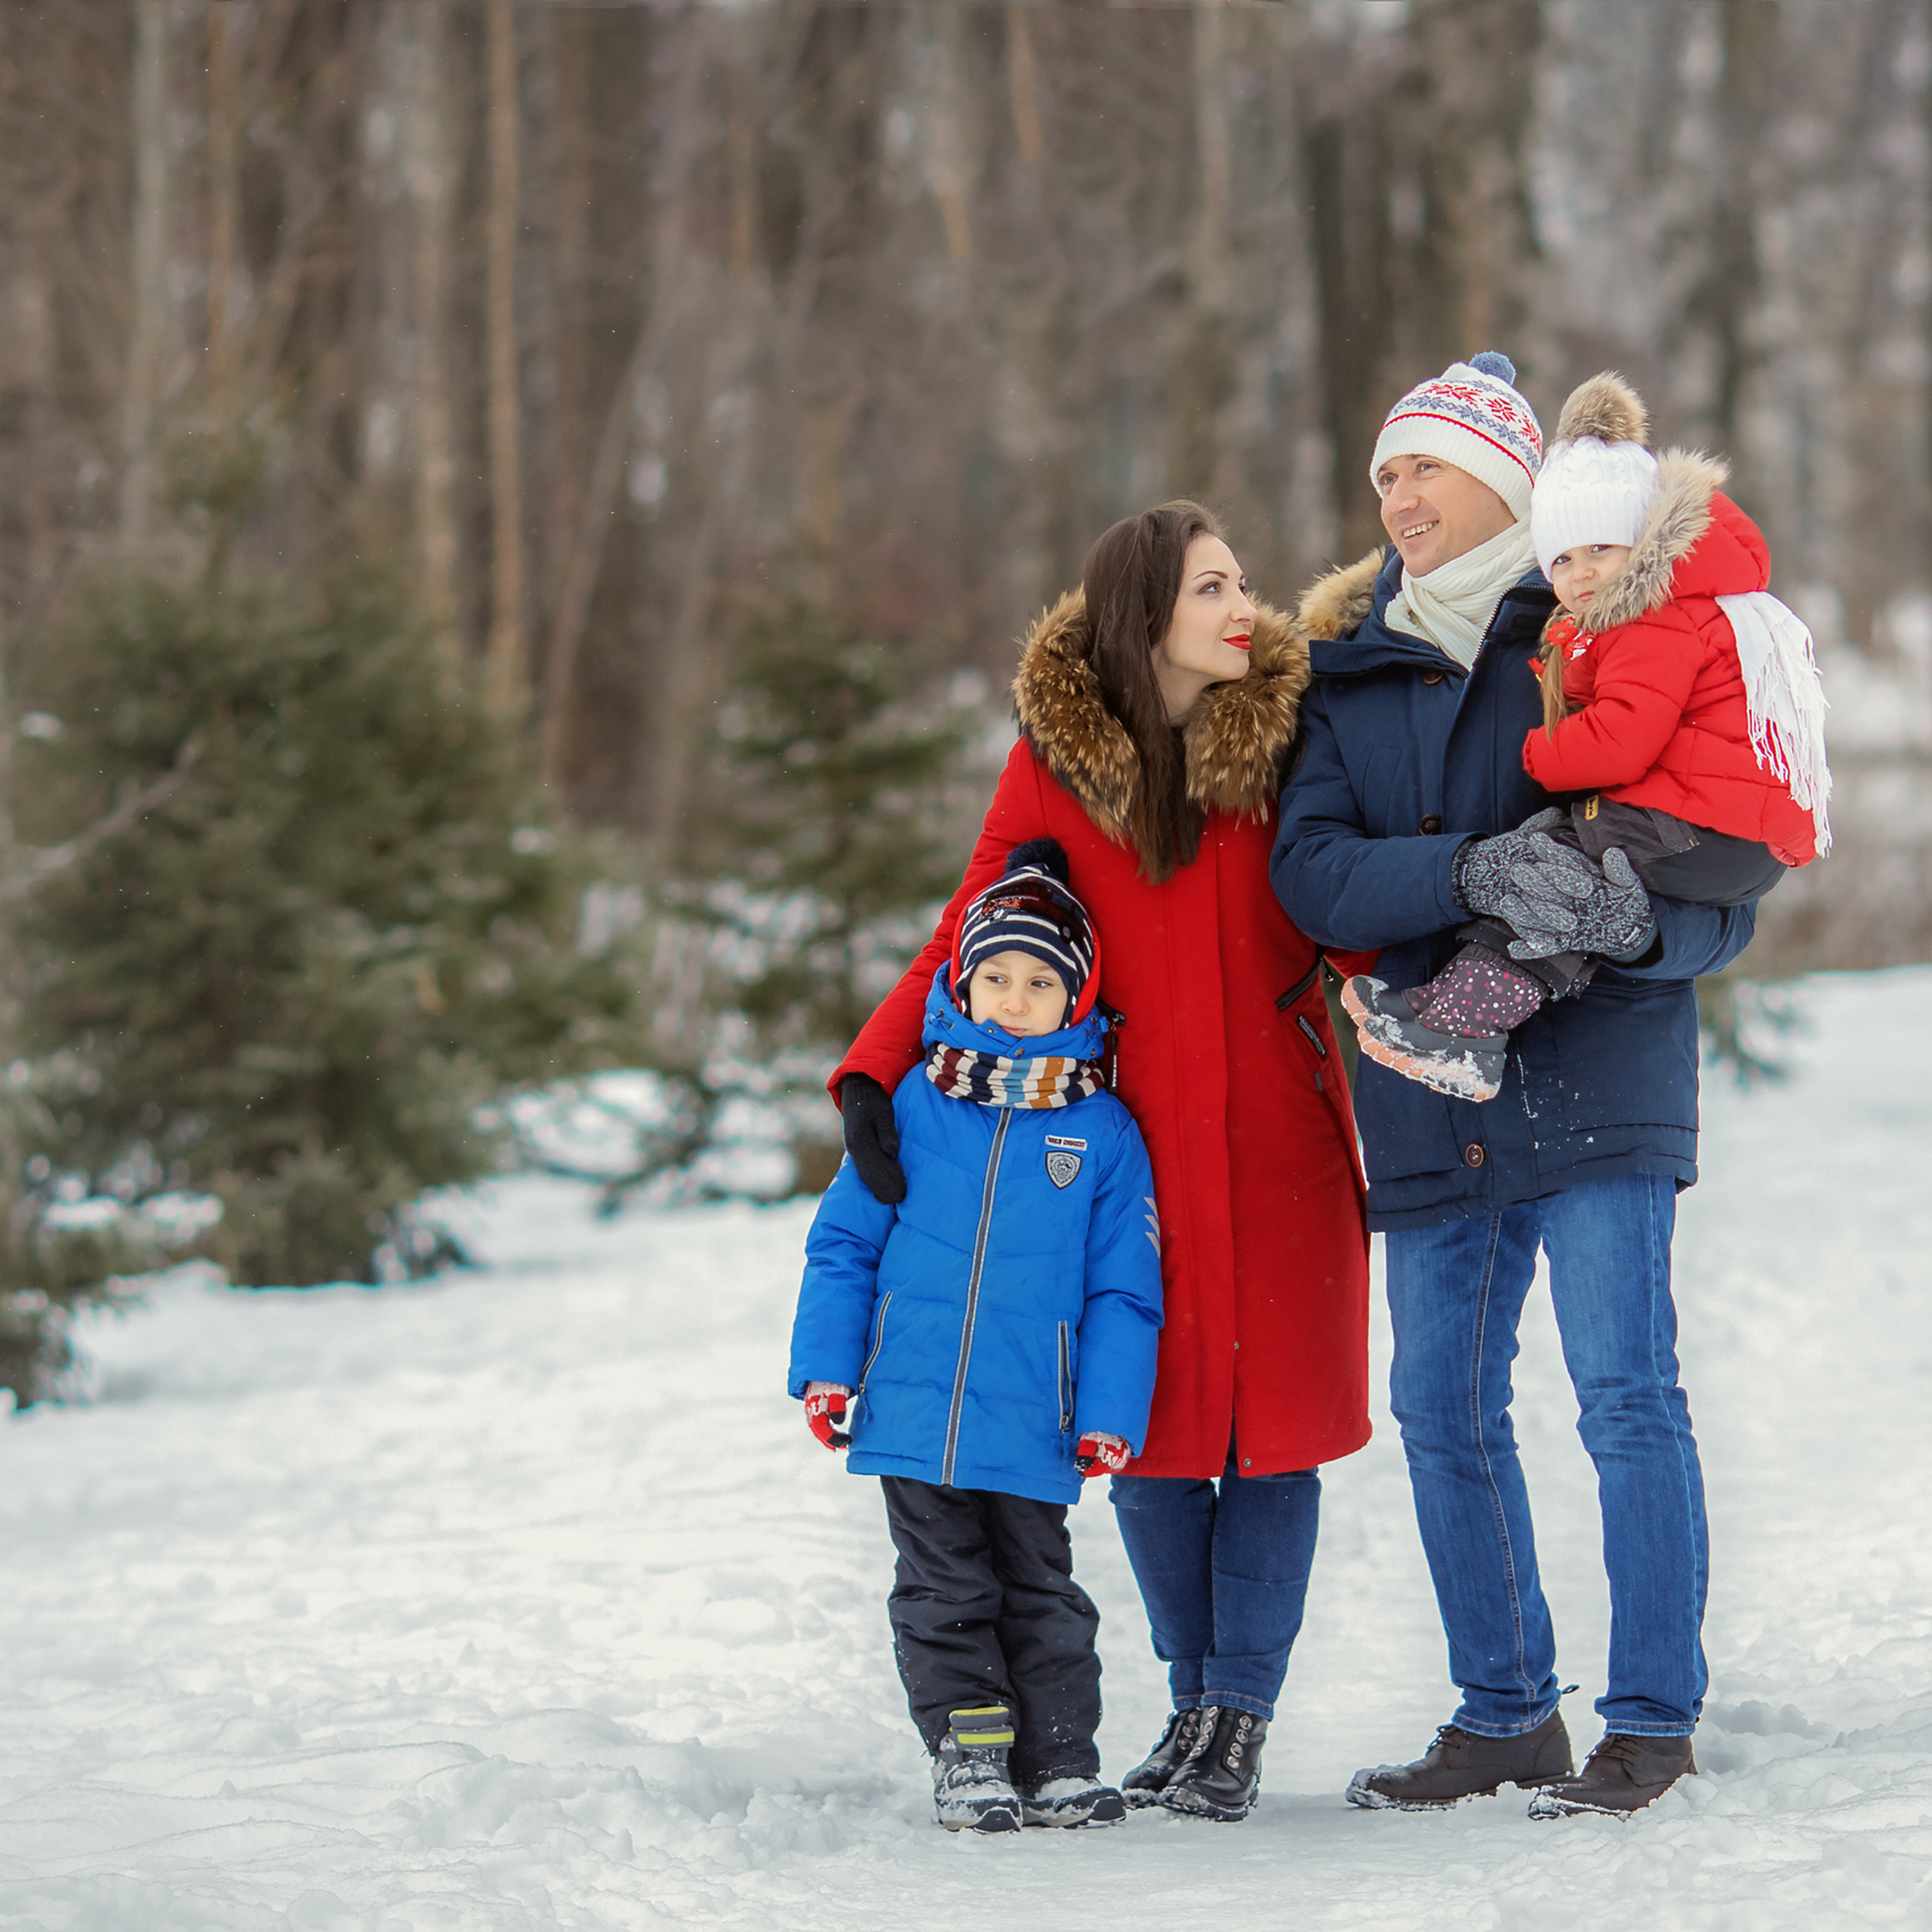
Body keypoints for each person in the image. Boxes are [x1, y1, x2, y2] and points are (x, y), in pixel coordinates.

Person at [1272, 352, 1763, 1820]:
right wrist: (1466, 867)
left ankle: (1649, 1720)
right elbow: (1309, 869)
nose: (1394, 495)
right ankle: (1502, 1714)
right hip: (1426, 1086)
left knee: (1622, 1392)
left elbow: (1718, 863)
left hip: (1599, 1068)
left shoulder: (1605, 623)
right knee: (1439, 1403)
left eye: (1418, 465)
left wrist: (1643, 922)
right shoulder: (1344, 670)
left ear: (1498, 471)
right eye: (1380, 477)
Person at [832, 501, 1374, 1823]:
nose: (1245, 607)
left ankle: (1234, 1715)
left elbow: (1353, 900)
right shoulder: (1054, 769)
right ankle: (1192, 1697)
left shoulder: (1291, 741)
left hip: (1281, 1146)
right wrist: (871, 1070)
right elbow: (971, 920)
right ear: (1145, 616)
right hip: (1124, 1162)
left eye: (1244, 582)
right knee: (1162, 1431)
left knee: (1272, 1435)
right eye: (1212, 589)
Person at [789, 838, 1163, 1834]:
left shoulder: (1104, 1131)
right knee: (944, 1590)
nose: (1011, 997)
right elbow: (842, 1248)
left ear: (1075, 999)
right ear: (961, 978)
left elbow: (1128, 1288)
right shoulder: (911, 1104)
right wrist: (829, 1371)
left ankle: (1060, 1761)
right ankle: (971, 1754)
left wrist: (1110, 1414)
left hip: (1037, 1415)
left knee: (1042, 1592)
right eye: (993, 975)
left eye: (1038, 981)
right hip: (913, 1403)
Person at [1343, 371, 1832, 1102]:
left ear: (1640, 545)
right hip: (1720, 832)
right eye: (1562, 559)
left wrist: (1539, 752)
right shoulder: (1639, 616)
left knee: (1555, 864)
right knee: (1561, 871)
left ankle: (1466, 1022)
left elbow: (1619, 741)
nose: (1579, 575)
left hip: (1709, 834)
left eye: (1599, 550)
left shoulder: (1652, 618)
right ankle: (1463, 1019)